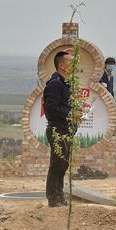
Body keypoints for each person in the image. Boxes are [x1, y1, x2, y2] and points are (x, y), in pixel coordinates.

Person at [44, 51, 78, 207]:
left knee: (63, 164)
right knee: (57, 164)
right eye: (70, 62)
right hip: (57, 129)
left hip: (66, 129)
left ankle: (60, 195)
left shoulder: (65, 83)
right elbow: (51, 108)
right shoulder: (55, 84)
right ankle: (53, 198)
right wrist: (71, 113)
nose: (73, 66)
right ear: (62, 65)